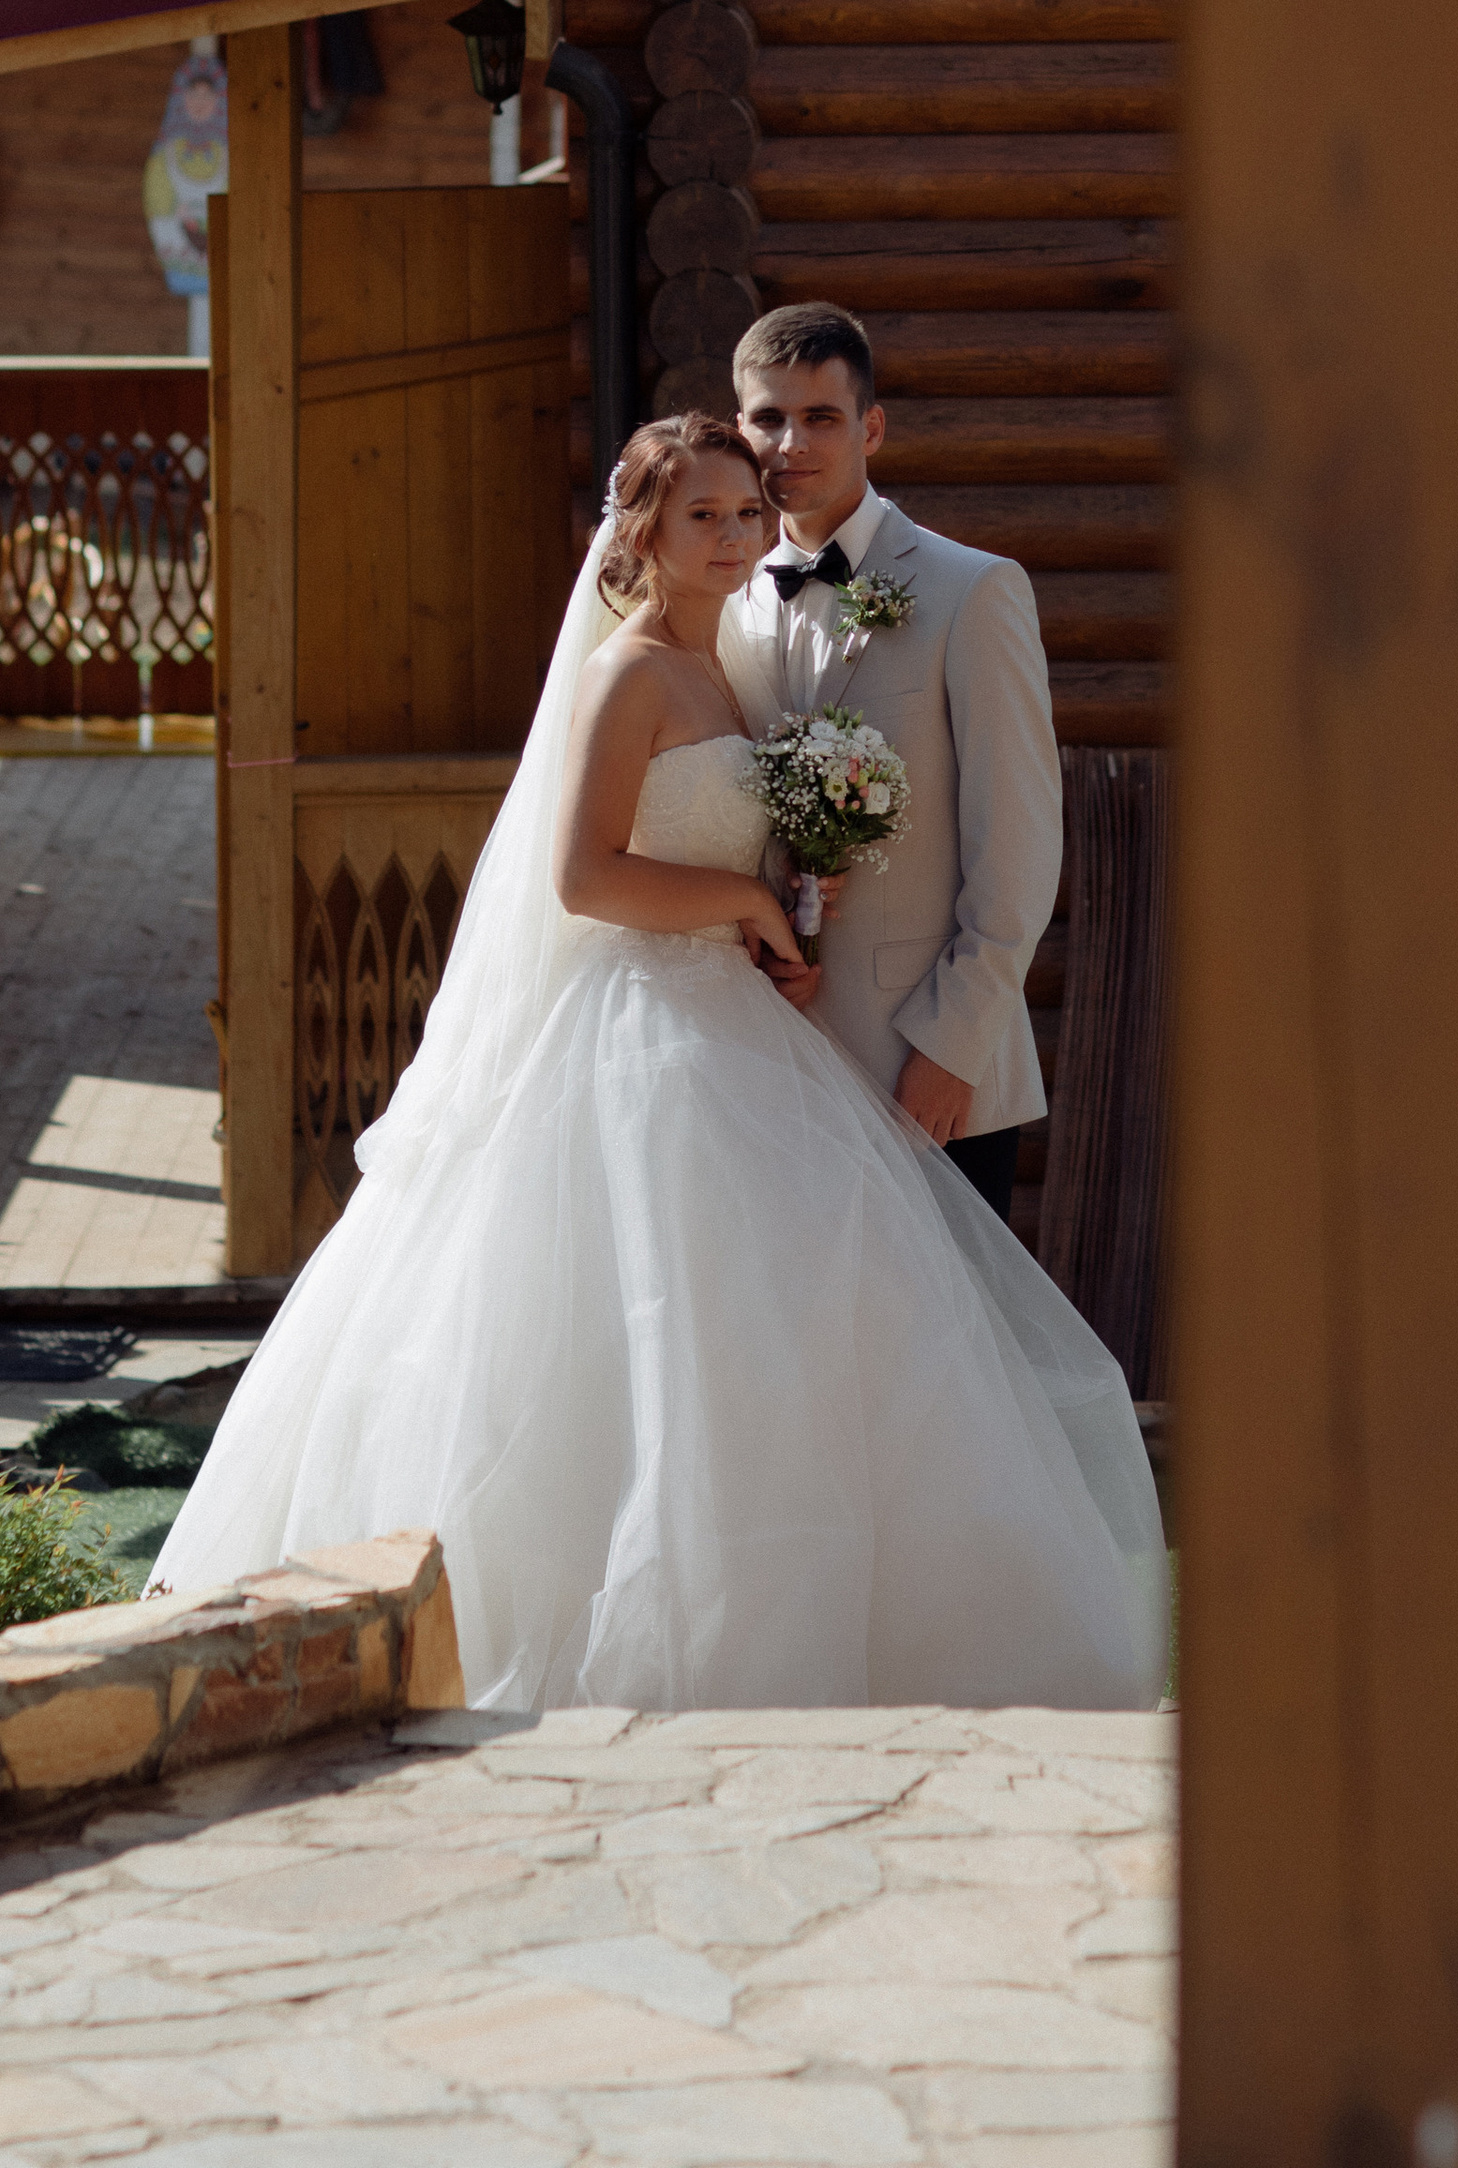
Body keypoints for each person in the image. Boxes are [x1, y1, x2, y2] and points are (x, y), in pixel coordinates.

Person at [147, 413, 1165, 1713]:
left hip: (741, 1026)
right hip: (639, 1033)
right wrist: (738, 912)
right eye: (706, 517)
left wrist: (791, 894)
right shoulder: (629, 674)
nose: (737, 536)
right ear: (644, 530)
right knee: (640, 1328)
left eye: (749, 514)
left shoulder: (729, 668)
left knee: (790, 1336)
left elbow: (713, 838)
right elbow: (583, 878)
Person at [724, 302, 1060, 1227]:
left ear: (871, 427)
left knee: (949, 1368)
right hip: (770, 1074)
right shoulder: (723, 604)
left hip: (928, 1072)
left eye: (820, 418)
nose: (789, 443)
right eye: (766, 418)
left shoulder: (973, 590)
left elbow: (1019, 849)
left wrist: (952, 1046)